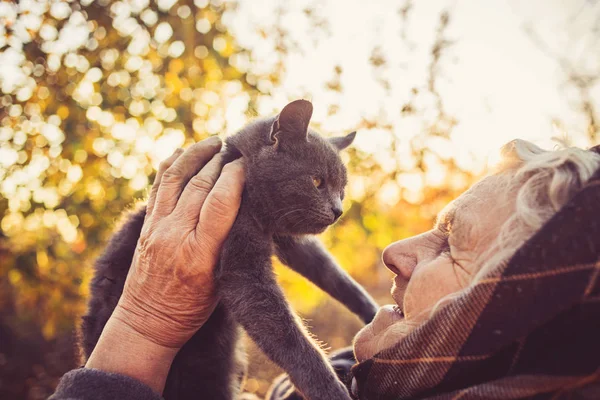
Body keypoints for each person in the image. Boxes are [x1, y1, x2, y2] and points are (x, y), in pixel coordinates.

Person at [50, 138, 600, 400]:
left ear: (515, 301)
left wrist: (144, 324)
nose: (395, 250)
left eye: (451, 242)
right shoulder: (353, 382)